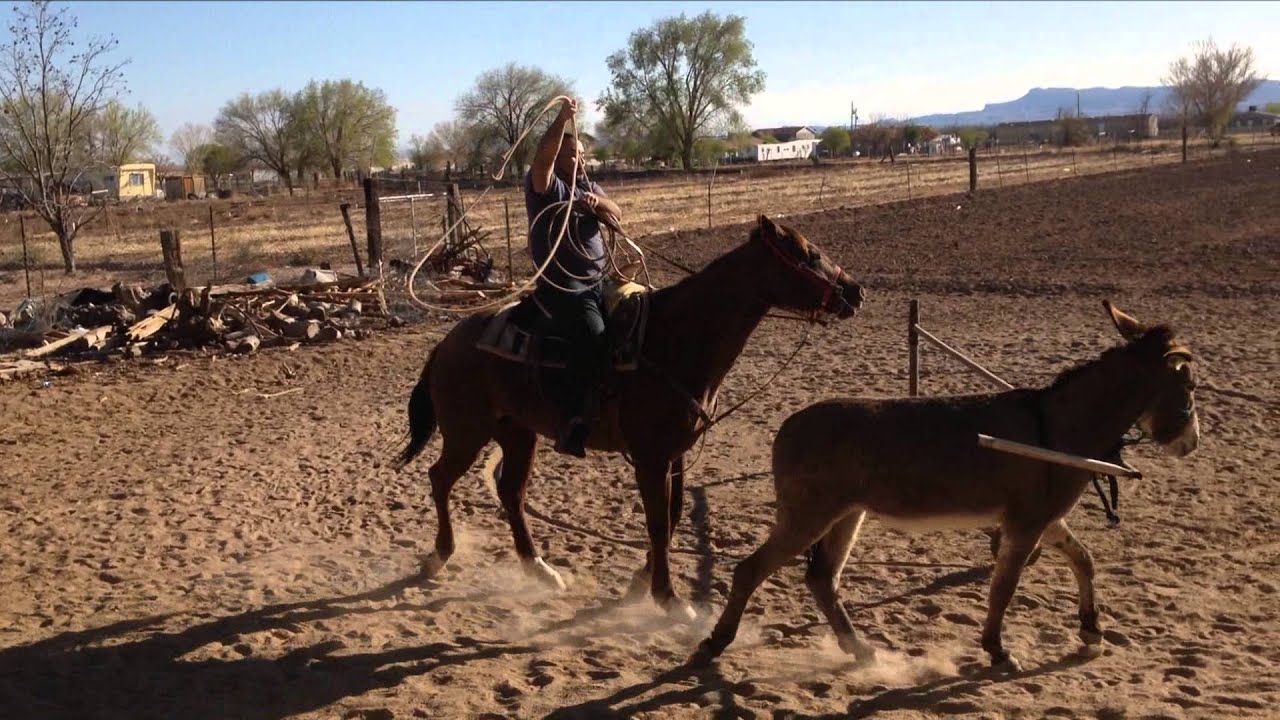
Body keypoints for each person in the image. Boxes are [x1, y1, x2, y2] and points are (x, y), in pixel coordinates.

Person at [524, 97, 624, 458]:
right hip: (564, 287)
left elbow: (616, 212)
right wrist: (562, 120)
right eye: (571, 155)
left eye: (581, 154)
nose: (579, 160)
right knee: (593, 336)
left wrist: (597, 204)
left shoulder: (589, 187)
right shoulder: (546, 186)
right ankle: (573, 420)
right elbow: (542, 160)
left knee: (644, 316)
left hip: (599, 281)